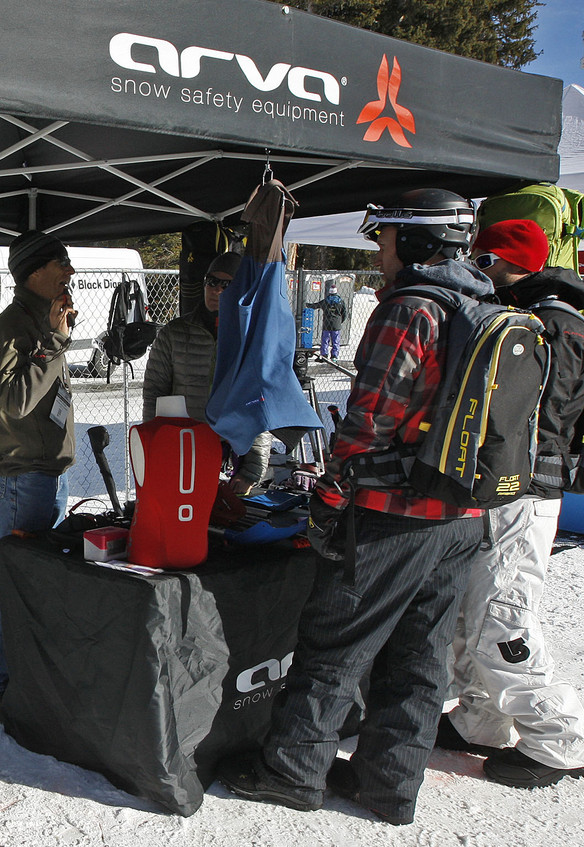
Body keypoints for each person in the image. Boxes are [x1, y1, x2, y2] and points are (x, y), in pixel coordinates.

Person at [217, 188, 489, 825]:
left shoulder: (412, 310)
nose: (380, 250)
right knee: (421, 656)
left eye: (386, 238)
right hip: (463, 517)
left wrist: (331, 498)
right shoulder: (484, 304)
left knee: (334, 645)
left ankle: (292, 771)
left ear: (417, 242)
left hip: (394, 514)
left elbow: (368, 421)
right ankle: (388, 786)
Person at [438, 218, 584, 788]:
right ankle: (482, 721)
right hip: (512, 486)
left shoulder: (548, 326)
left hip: (521, 491)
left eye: (482, 260)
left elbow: (531, 420)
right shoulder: (546, 318)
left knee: (503, 615)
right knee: (477, 608)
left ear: (499, 259)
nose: (478, 271)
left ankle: (559, 737)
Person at [0, 230, 76, 724]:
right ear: (34, 271)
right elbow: (13, 404)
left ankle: (25, 673)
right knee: (6, 582)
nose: (70, 274)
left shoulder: (46, 322)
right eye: (61, 265)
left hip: (48, 472)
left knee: (38, 580)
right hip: (22, 477)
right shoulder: (9, 330)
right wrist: (54, 343)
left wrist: (57, 337)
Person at [142, 251, 270, 495]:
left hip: (231, 458)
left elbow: (260, 407)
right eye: (211, 282)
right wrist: (153, 447)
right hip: (182, 452)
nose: (217, 290)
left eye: (227, 284)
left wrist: (252, 470)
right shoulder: (174, 333)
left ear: (243, 287)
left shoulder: (252, 338)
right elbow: (153, 395)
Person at [306, 281, 348, 359]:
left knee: (325, 340)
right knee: (336, 341)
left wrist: (306, 304)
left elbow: (315, 305)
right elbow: (344, 314)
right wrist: (340, 321)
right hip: (336, 324)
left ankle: (324, 354)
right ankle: (334, 355)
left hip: (326, 323)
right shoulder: (341, 302)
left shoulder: (325, 301)